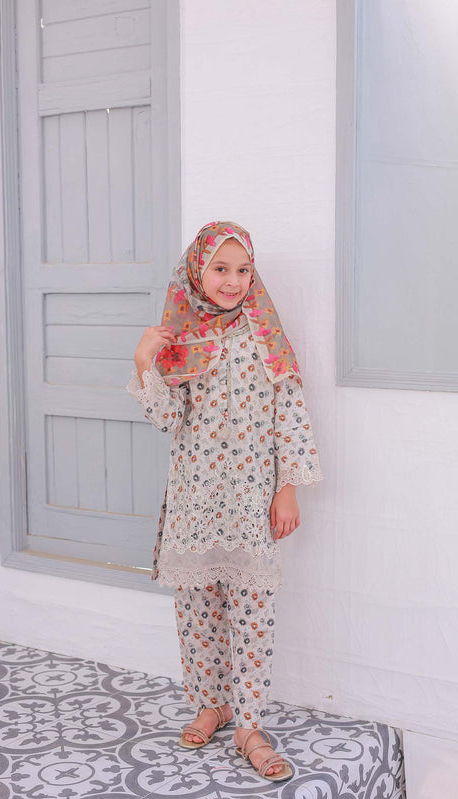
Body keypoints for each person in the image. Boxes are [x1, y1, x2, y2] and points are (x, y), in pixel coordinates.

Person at [126, 220, 323, 782]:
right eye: (220, 268)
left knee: (253, 612)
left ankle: (249, 724)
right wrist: (144, 362)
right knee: (196, 610)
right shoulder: (180, 335)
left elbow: (290, 412)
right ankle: (209, 706)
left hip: (251, 498)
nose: (233, 281)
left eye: (243, 270)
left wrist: (287, 489)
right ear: (197, 271)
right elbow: (166, 418)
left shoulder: (265, 334)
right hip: (194, 496)